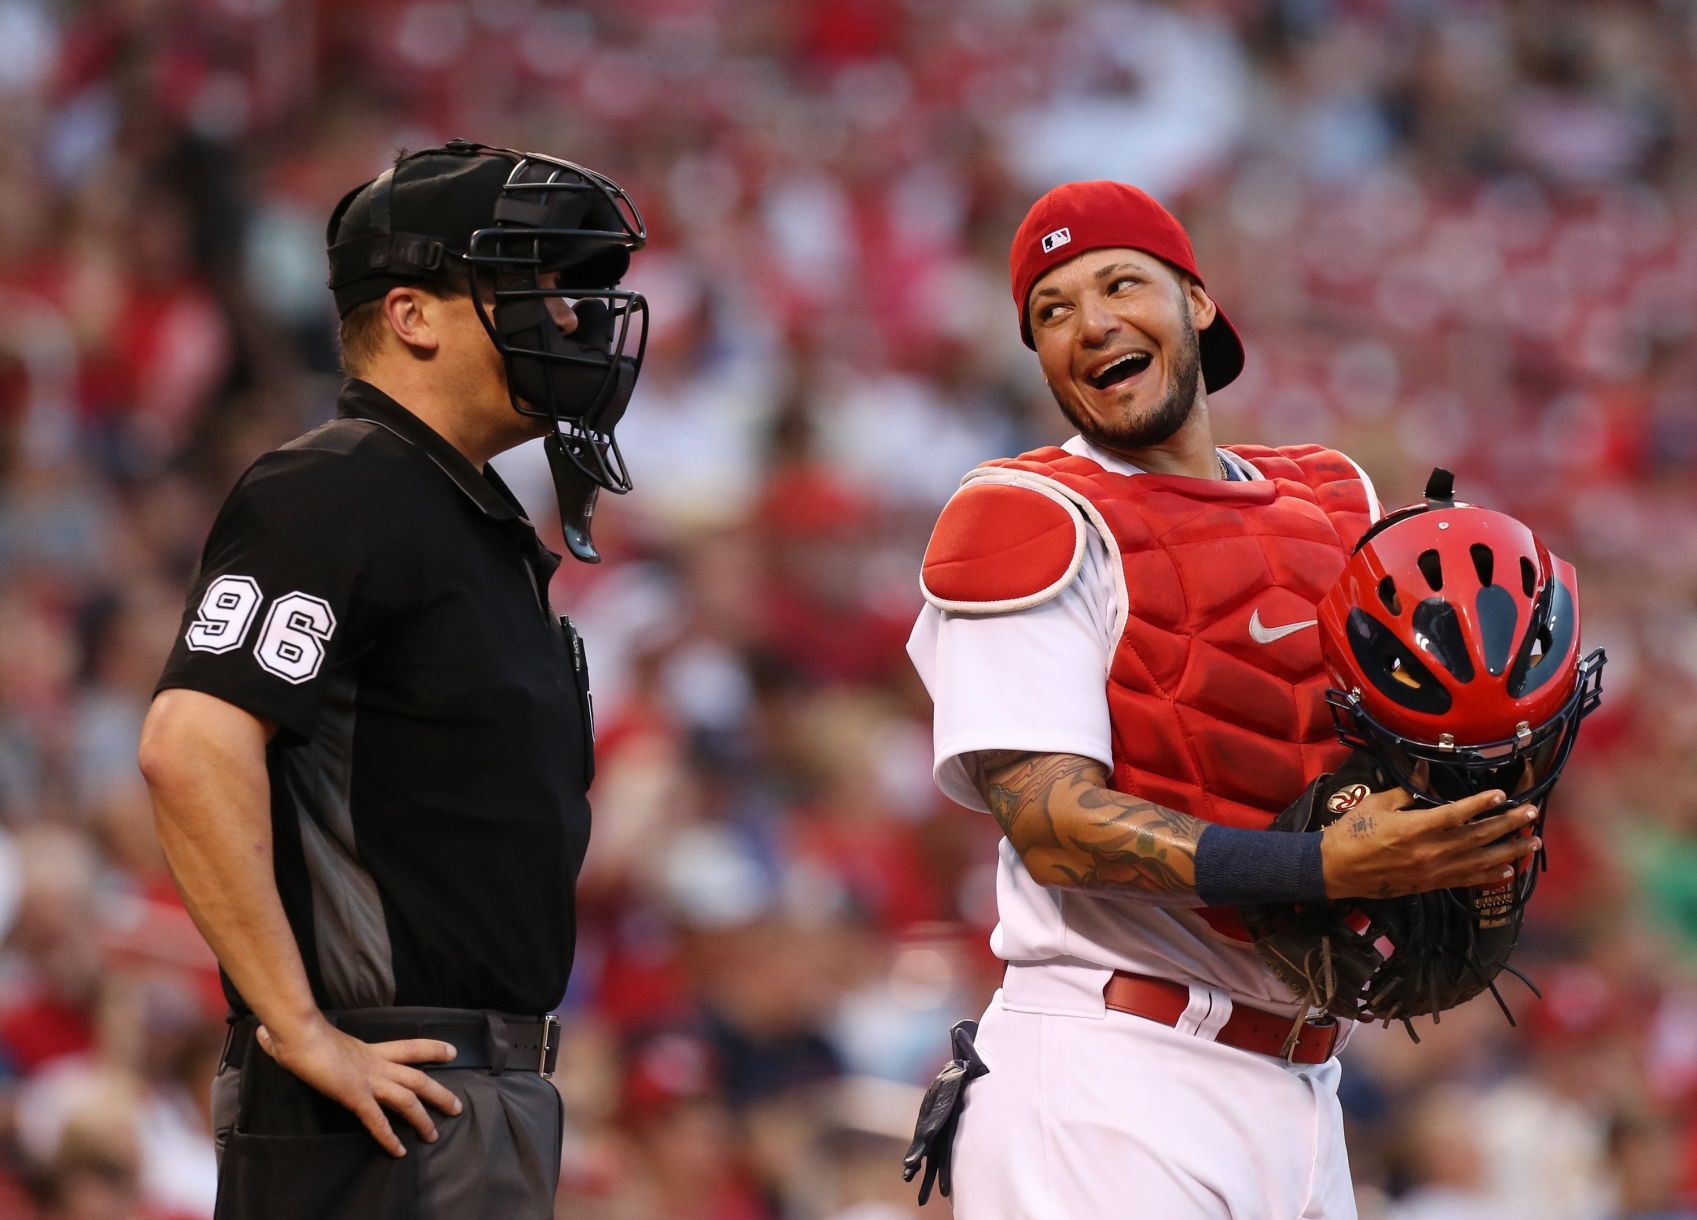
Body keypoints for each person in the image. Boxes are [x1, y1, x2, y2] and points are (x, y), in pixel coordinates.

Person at [904, 180, 1544, 1219]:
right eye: (1051, 311)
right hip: (1109, 1072)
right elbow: (1050, 824)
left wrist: (1473, 791)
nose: (1090, 322)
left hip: (1302, 1078)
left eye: (1118, 282)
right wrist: (1318, 863)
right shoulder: (1024, 518)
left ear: (1196, 301)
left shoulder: (1337, 502)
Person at [136, 140, 649, 1219]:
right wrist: (298, 1024)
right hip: (380, 1094)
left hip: (469, 1091)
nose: (568, 318)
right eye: (531, 284)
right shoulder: (338, 485)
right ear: (413, 313)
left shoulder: (469, 515)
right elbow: (191, 739)